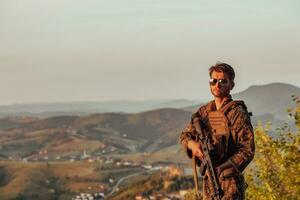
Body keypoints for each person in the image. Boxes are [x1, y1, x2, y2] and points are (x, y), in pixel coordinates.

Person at [179, 62, 255, 200]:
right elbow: (185, 136)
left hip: (230, 185)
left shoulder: (237, 114)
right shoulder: (204, 112)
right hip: (209, 183)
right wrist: (193, 145)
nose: (217, 85)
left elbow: (247, 150)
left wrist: (221, 169)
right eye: (213, 81)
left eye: (222, 81)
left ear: (231, 85)